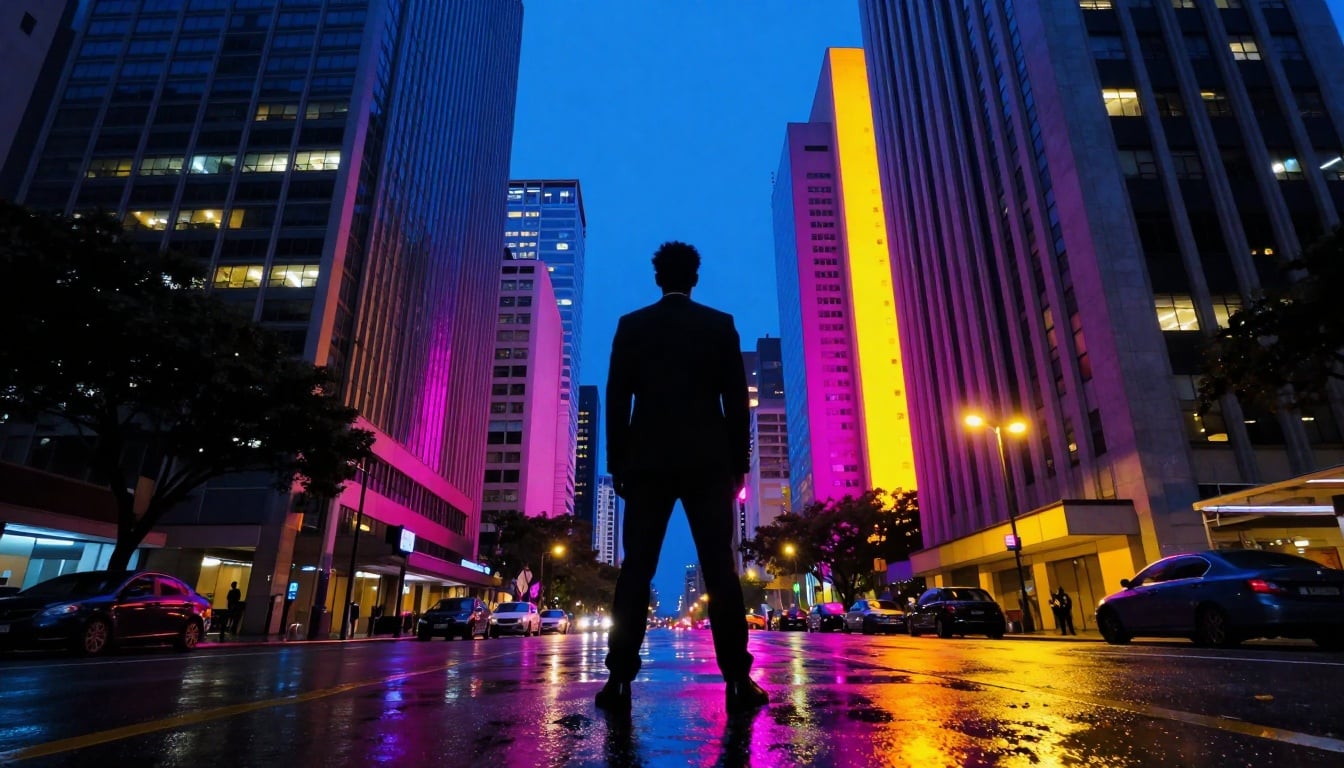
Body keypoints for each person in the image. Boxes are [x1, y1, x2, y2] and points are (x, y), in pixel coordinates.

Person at [595, 241, 769, 714]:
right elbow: (736, 403)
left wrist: (618, 464)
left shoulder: (632, 326)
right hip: (708, 463)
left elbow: (616, 400)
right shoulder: (719, 326)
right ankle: (737, 678)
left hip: (647, 464)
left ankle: (619, 681)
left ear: (658, 279)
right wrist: (739, 466)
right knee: (720, 571)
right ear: (694, 279)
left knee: (636, 571)